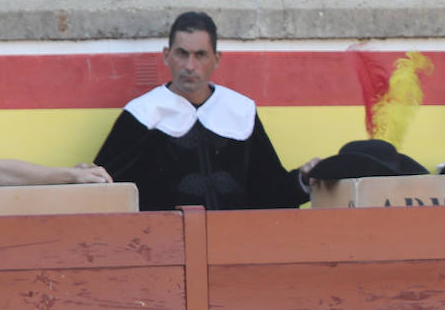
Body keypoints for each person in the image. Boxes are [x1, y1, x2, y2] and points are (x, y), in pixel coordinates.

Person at [93, 12, 319, 212]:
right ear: (166, 55)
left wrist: (302, 178)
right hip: (165, 249)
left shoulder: (240, 110)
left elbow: (268, 191)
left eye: (200, 55)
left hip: (235, 244)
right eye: (182, 54)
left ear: (216, 59)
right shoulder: (142, 114)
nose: (190, 66)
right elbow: (107, 191)